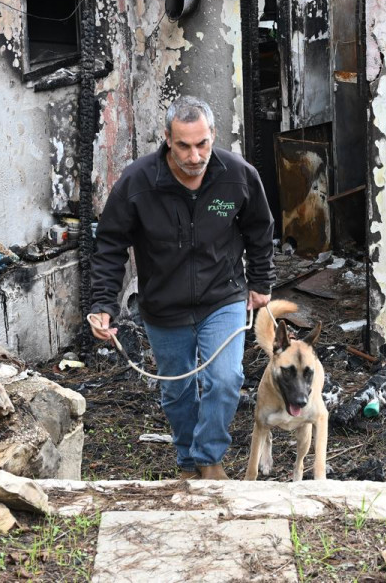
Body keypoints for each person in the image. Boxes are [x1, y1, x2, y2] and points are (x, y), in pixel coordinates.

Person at [87, 96, 274, 480]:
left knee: (225, 380)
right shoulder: (138, 183)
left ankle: (209, 459)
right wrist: (104, 302)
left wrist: (260, 282)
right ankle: (188, 463)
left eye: (202, 144)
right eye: (184, 145)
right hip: (163, 306)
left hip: (222, 298)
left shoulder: (237, 175)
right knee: (178, 391)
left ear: (213, 136)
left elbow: (260, 229)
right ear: (168, 140)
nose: (195, 155)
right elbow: (109, 245)